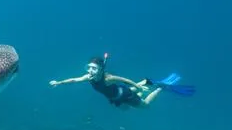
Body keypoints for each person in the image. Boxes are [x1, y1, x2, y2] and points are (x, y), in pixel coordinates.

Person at [49, 53, 195, 108]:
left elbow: (125, 80)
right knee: (126, 100)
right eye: (89, 67)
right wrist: (59, 83)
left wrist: (137, 88)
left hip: (122, 93)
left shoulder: (108, 78)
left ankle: (159, 88)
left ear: (100, 69)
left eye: (94, 68)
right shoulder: (89, 77)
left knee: (144, 106)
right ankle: (145, 82)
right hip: (116, 94)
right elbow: (74, 80)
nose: (90, 71)